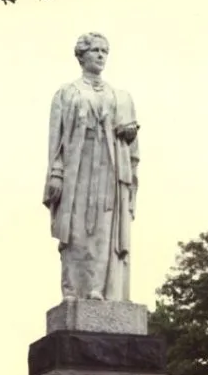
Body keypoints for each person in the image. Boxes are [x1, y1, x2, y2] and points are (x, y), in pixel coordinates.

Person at [42, 33, 139, 301]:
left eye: (104, 51)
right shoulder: (67, 93)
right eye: (95, 50)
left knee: (103, 228)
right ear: (81, 56)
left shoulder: (117, 96)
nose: (100, 55)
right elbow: (56, 139)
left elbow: (130, 142)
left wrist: (128, 133)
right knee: (74, 228)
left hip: (109, 166)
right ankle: (72, 290)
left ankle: (98, 288)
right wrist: (57, 173)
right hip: (78, 166)